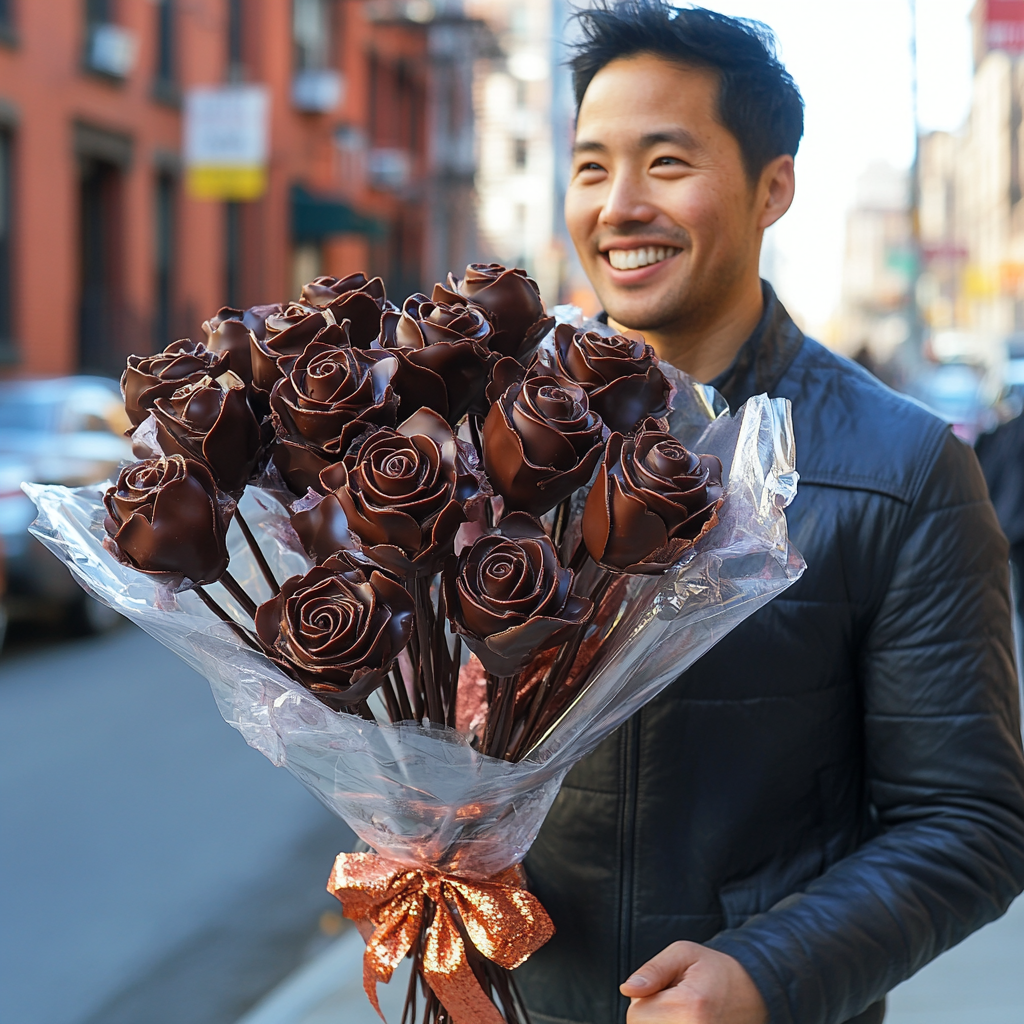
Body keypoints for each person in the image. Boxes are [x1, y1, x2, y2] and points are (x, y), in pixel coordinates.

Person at [517, 5, 1024, 1023]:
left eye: (665, 163)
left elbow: (968, 819)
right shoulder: (495, 450)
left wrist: (766, 971)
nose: (617, 206)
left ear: (772, 186)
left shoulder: (904, 469)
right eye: (589, 168)